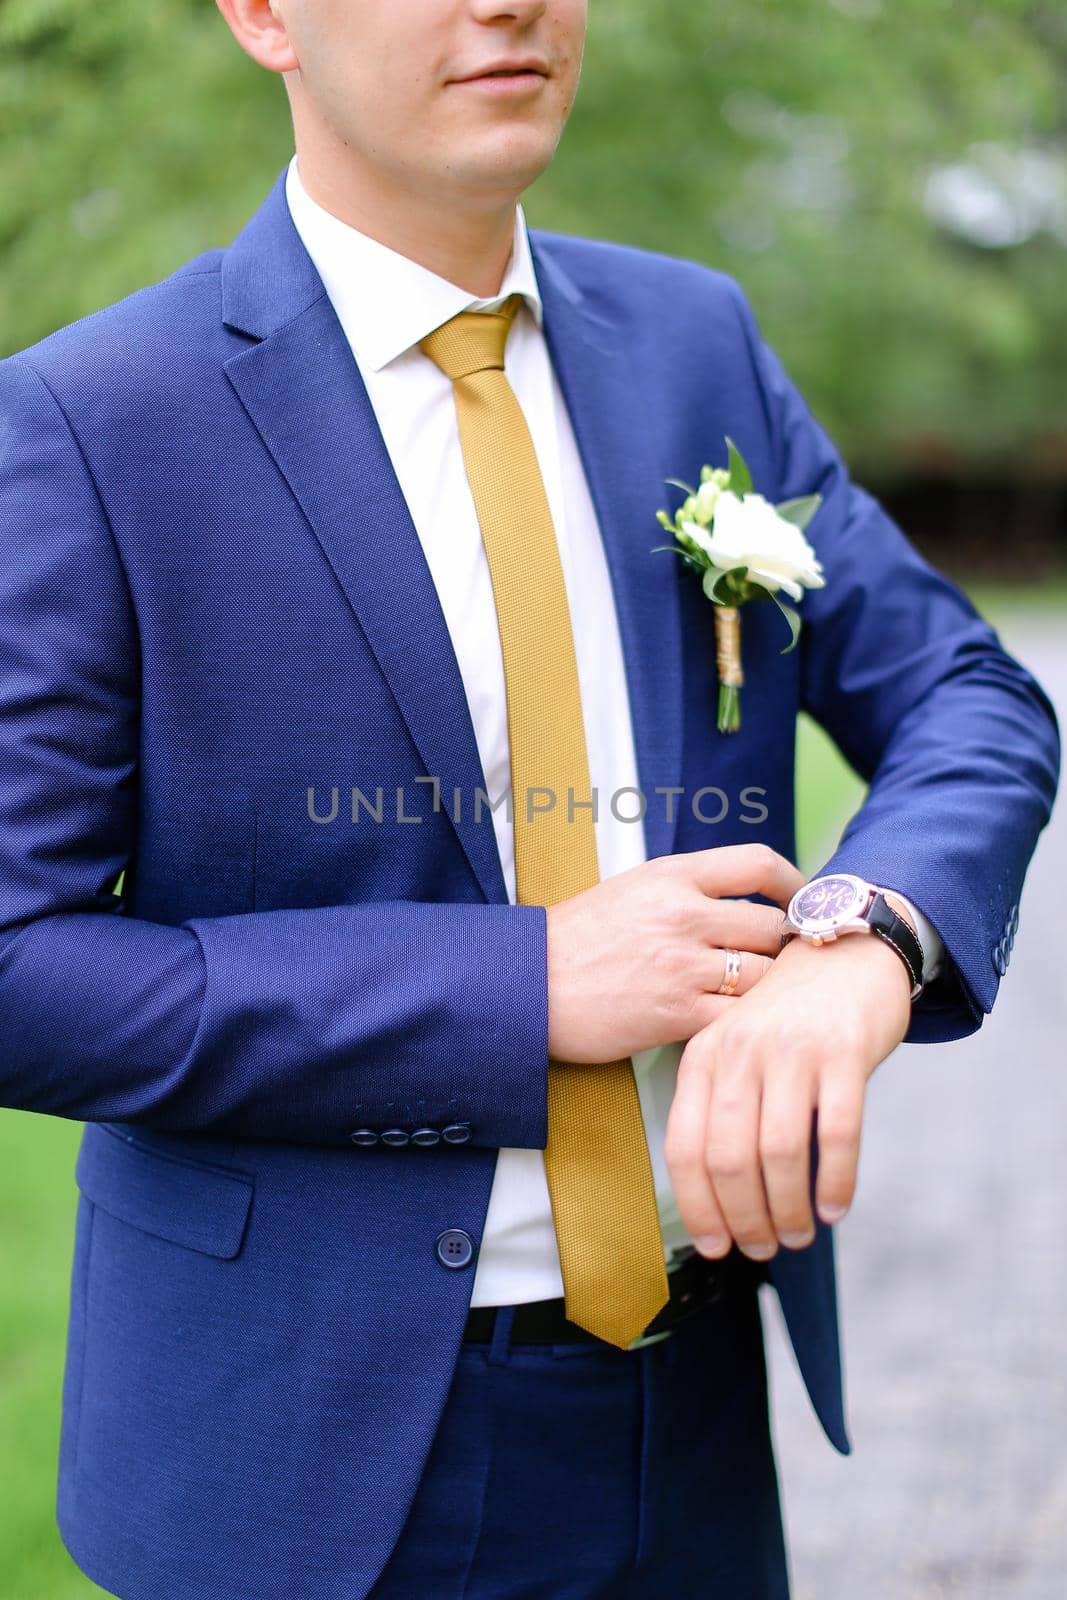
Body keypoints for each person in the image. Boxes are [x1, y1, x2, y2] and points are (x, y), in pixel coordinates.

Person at [0, 1, 1058, 1596]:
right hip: (311, 1467)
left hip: (693, 1416)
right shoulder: (93, 423)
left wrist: (861, 943)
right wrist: (522, 986)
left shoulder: (695, 342)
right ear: (263, 13)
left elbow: (965, 693)